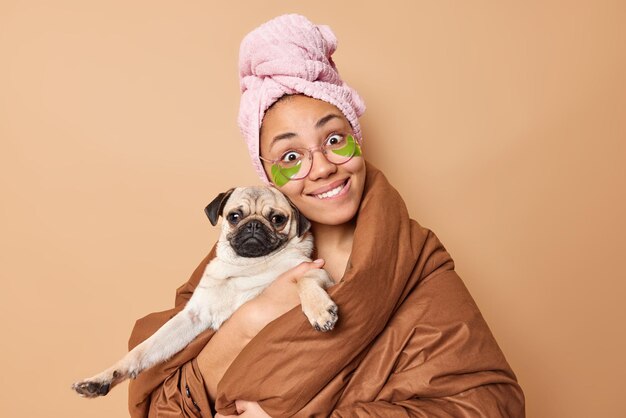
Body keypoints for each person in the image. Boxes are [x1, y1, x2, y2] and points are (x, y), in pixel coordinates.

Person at [128, 14, 525, 417]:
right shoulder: (235, 261)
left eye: (335, 139)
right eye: (291, 157)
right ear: (269, 176)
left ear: (357, 139)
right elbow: (164, 406)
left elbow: (490, 405)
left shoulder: (417, 262)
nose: (321, 168)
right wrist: (250, 320)